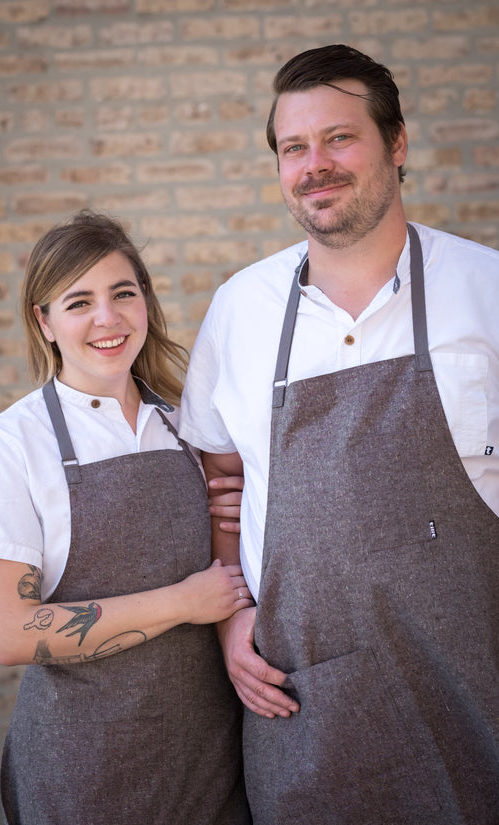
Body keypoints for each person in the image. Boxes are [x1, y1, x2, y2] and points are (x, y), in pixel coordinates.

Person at [180, 44, 499, 824]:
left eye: (339, 138)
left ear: (396, 143)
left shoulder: (485, 289)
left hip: (477, 686)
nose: (314, 164)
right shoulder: (241, 309)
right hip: (306, 701)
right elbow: (220, 480)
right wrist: (231, 616)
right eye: (294, 147)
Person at [0, 210, 254, 825]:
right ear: (45, 321)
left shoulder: (187, 429)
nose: (107, 318)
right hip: (82, 773)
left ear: (145, 299)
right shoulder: (11, 443)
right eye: (79, 301)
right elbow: (13, 634)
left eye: (123, 293)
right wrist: (185, 602)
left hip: (209, 762)